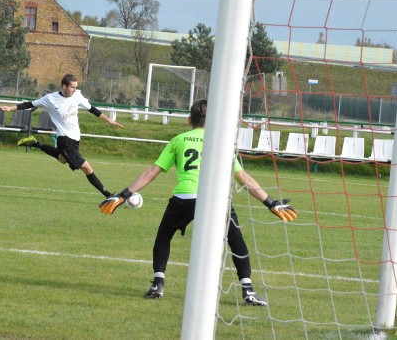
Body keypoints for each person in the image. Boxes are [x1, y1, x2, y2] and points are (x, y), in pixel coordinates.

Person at [99, 99, 297, 304]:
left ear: (188, 120)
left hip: (184, 198)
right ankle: (248, 290)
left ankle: (158, 283)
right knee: (236, 241)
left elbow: (151, 172)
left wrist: (123, 195)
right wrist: (271, 203)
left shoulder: (179, 140)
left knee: (164, 236)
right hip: (216, 200)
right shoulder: (221, 143)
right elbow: (244, 179)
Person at [1, 73, 123, 198]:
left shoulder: (77, 96)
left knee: (62, 159)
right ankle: (108, 195)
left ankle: (35, 143)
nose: (75, 90)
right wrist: (11, 108)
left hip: (75, 139)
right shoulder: (50, 98)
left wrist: (108, 120)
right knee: (87, 168)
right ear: (64, 86)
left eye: (76, 87)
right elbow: (30, 104)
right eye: (72, 87)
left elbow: (92, 109)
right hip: (65, 140)